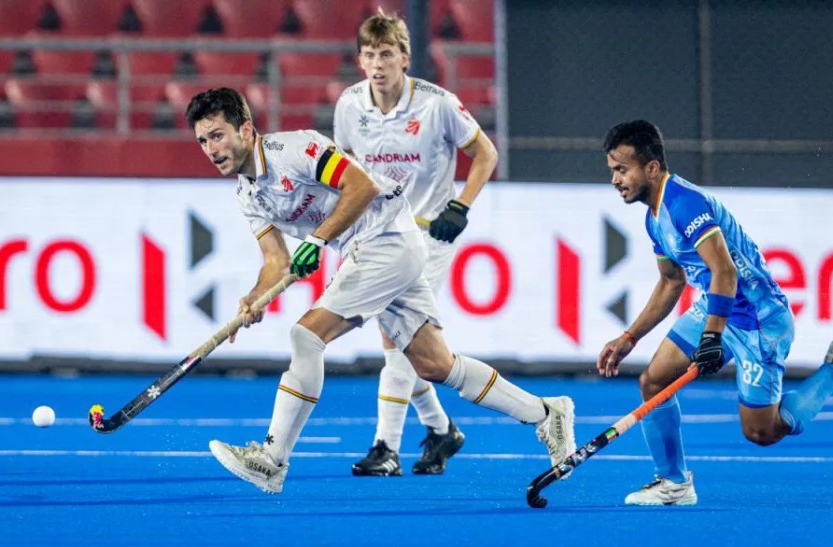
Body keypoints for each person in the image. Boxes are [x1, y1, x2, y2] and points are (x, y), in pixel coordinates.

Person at [186, 87, 576, 494]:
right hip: (373, 248)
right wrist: (254, 297)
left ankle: (272, 459)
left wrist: (317, 239)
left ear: (246, 130)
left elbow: (361, 186)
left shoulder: (293, 149)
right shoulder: (247, 194)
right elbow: (276, 261)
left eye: (218, 136)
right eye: (202, 141)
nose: (211, 149)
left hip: (385, 236)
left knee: (306, 335)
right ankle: (546, 413)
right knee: (434, 364)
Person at [597, 119, 833, 506]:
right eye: (612, 170)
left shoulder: (684, 204)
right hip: (718, 306)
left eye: (622, 169)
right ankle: (674, 484)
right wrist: (629, 337)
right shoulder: (654, 217)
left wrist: (711, 336)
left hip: (758, 320)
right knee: (654, 381)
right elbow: (671, 281)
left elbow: (725, 271)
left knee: (762, 431)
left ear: (651, 167)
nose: (615, 180)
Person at [332, 9, 498, 477]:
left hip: (428, 236)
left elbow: (485, 153)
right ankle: (442, 431)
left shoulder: (437, 103)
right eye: (369, 55)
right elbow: (344, 169)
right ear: (360, 60)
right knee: (406, 344)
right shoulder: (349, 105)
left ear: (404, 58)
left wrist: (460, 206)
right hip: (379, 235)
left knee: (396, 340)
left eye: (386, 54)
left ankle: (386, 446)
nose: (377, 64)